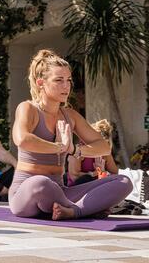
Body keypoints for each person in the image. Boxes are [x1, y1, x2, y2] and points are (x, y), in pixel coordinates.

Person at [10, 49, 132, 220]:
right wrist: (59, 147)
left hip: (60, 192)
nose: (66, 86)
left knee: (123, 182)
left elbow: (104, 147)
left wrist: (74, 150)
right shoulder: (28, 108)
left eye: (68, 80)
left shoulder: (71, 115)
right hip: (28, 192)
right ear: (41, 83)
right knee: (41, 183)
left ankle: (73, 211)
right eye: (59, 80)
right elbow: (22, 139)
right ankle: (85, 209)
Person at [67, 119, 119, 186]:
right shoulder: (79, 150)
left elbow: (115, 174)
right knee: (86, 179)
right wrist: (93, 174)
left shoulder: (105, 153)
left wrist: (102, 171)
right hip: (78, 187)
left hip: (99, 186)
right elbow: (74, 177)